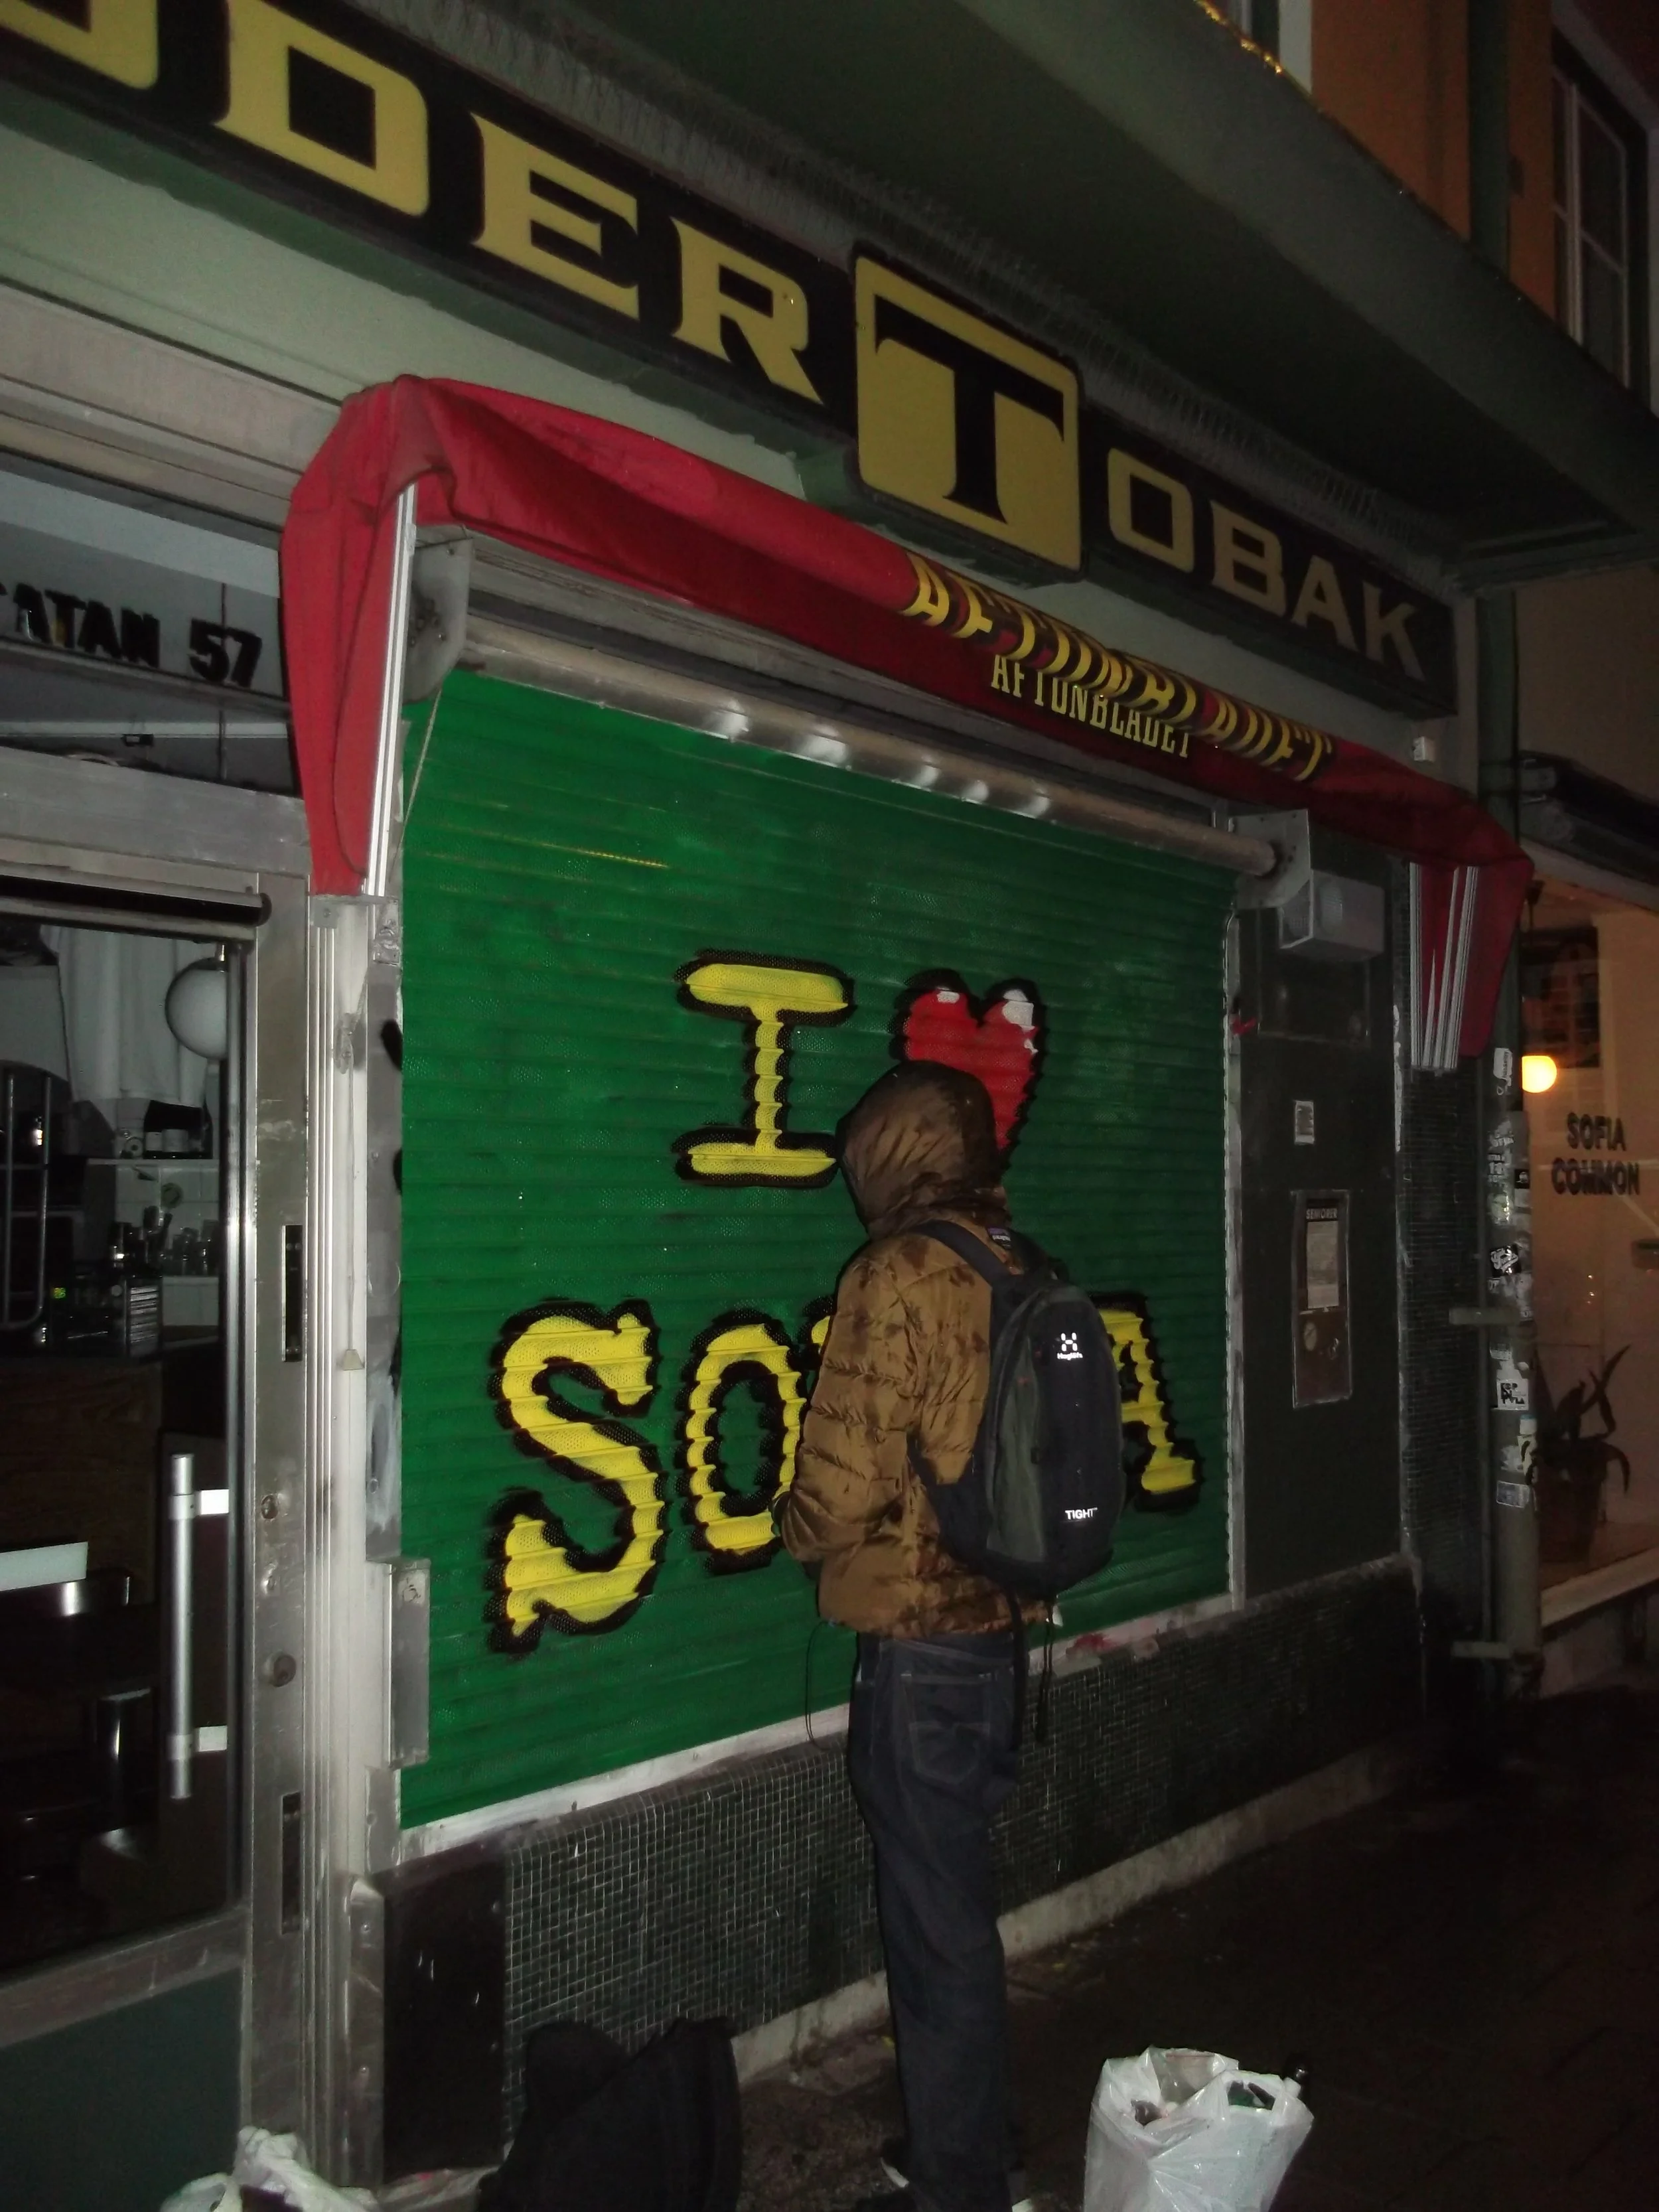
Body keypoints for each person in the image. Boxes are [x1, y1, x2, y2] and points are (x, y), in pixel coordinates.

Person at [778, 1060, 1037, 2212]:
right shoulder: (1020, 1263)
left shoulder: (898, 1273)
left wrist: (791, 1531)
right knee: (956, 1910)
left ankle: (963, 2183)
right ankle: (972, 2143)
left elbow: (840, 1483)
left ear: (895, 1151)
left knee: (938, 1933)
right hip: (997, 1639)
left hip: (919, 1649)